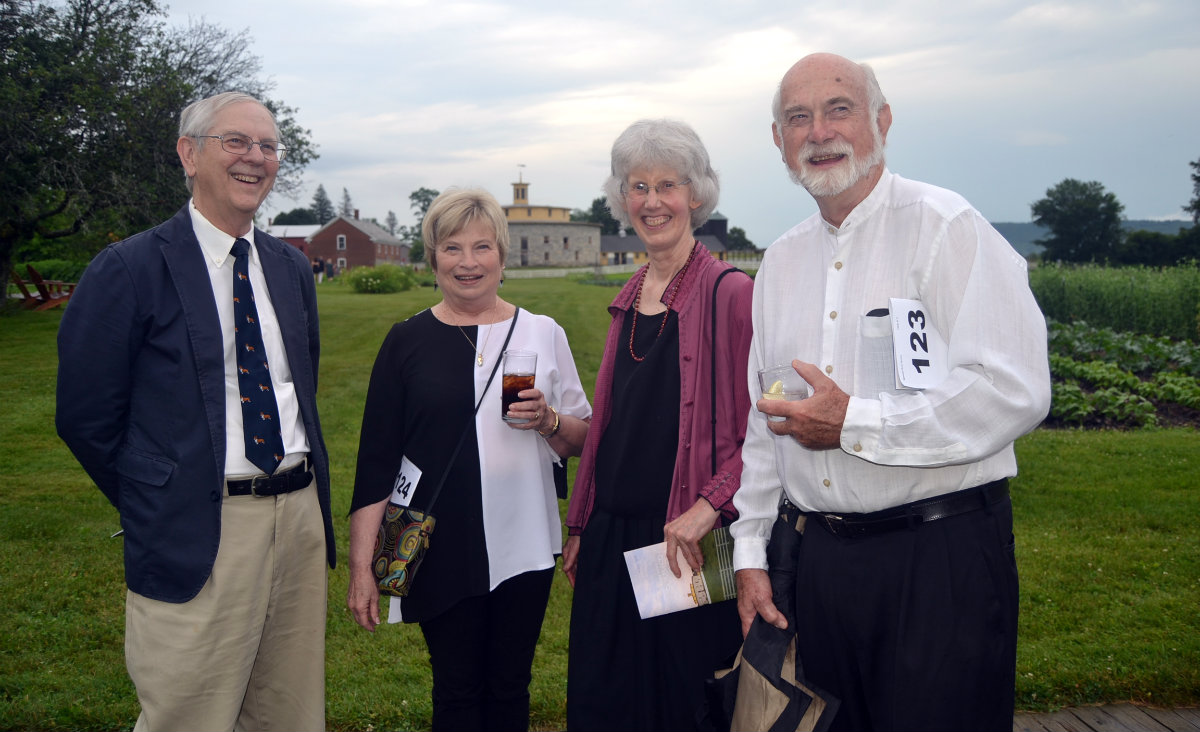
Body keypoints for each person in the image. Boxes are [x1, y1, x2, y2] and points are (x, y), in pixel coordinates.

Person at [731, 53, 1052, 732]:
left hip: (940, 563)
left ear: (881, 120)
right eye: (798, 117)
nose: (819, 131)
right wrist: (752, 554)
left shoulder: (946, 228)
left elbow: (1014, 388)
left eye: (838, 109)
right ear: (778, 139)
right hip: (819, 567)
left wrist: (856, 423)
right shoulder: (780, 263)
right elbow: (766, 423)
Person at [56, 92, 335, 731]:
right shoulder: (128, 269)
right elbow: (85, 416)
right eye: (235, 142)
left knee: (288, 713)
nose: (255, 158)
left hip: (297, 519)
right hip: (202, 528)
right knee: (189, 712)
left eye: (267, 146)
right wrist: (158, 496)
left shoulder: (290, 269)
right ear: (189, 153)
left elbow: (302, 386)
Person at [346, 188, 591, 732]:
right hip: (439, 541)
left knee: (509, 687)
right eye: (452, 248)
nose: (468, 262)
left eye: (482, 247)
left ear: (502, 257)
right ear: (432, 258)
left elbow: (584, 438)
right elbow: (376, 461)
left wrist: (549, 421)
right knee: (456, 692)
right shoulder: (406, 341)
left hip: (526, 540)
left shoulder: (543, 332)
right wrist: (362, 567)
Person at [564, 119, 754, 731]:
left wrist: (711, 505)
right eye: (637, 186)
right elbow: (612, 432)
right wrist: (581, 523)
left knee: (683, 707)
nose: (651, 201)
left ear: (696, 194)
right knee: (605, 705)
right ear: (622, 199)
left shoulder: (732, 294)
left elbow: (767, 435)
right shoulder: (627, 298)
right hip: (610, 538)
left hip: (688, 539)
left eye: (667, 185)